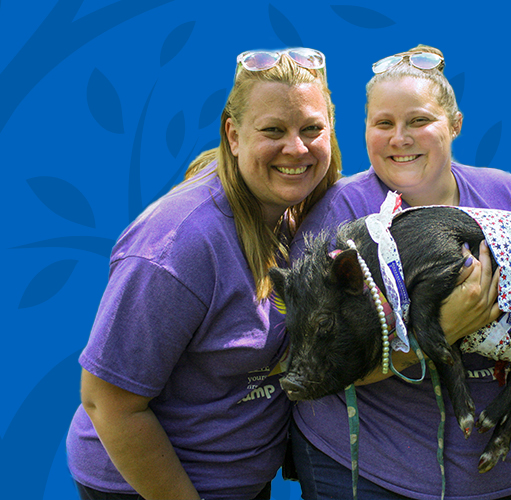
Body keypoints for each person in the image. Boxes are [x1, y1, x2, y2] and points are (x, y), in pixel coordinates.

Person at [288, 45, 511, 500]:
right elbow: (311, 363)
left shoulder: (509, 195)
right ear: (365, 129)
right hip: (373, 474)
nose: (400, 138)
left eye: (419, 121)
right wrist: (441, 332)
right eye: (383, 123)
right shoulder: (338, 214)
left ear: (455, 124)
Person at [64, 47, 343, 500]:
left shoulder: (293, 216)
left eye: (312, 129)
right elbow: (108, 402)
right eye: (273, 130)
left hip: (239, 479)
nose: (297, 147)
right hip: (151, 486)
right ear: (233, 135)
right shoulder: (178, 246)